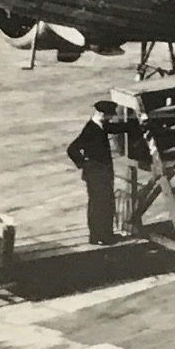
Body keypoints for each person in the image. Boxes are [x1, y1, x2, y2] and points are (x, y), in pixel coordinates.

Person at [66, 101, 117, 244]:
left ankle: (103, 235)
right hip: (96, 174)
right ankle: (100, 237)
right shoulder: (91, 129)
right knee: (100, 205)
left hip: (100, 173)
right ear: (101, 114)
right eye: (109, 115)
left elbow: (116, 127)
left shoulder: (100, 126)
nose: (110, 118)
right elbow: (72, 149)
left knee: (103, 204)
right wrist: (85, 164)